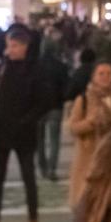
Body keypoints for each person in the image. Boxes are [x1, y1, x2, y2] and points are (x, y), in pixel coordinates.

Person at [0, 28, 44, 222]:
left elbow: (42, 102)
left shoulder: (35, 70)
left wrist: (26, 120)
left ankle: (33, 221)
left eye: (15, 46)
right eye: (9, 45)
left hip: (24, 133)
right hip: (1, 132)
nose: (11, 50)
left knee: (28, 177)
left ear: (25, 47)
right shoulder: (0, 70)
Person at [67, 61, 111, 207]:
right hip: (92, 156)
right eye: (101, 74)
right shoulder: (84, 99)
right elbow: (72, 127)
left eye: (109, 73)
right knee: (92, 201)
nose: (105, 77)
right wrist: (91, 123)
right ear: (93, 77)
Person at [36, 29, 70, 182]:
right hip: (56, 105)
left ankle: (42, 167)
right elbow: (67, 87)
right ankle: (52, 169)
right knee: (55, 139)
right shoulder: (61, 66)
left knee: (40, 139)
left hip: (39, 106)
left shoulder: (35, 65)